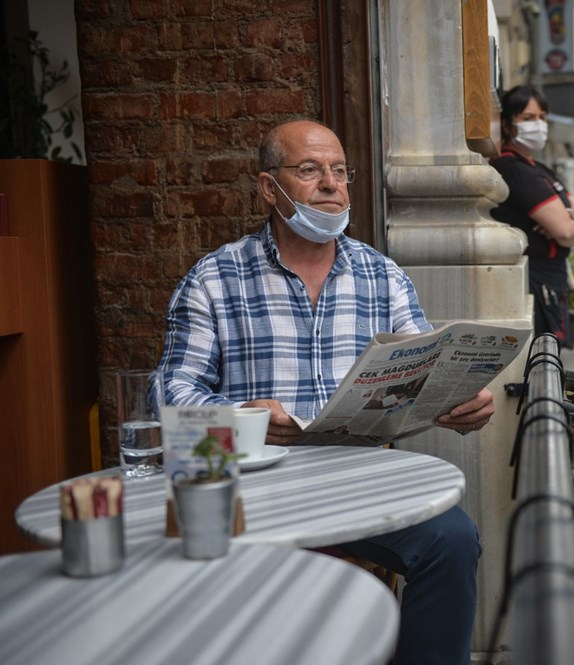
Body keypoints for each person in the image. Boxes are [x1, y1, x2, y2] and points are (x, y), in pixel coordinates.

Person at [158, 119, 493, 665]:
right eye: (310, 170)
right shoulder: (214, 279)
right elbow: (171, 394)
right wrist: (238, 419)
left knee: (452, 540)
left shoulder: (382, 276)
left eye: (340, 171)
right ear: (270, 188)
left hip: (360, 479)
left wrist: (459, 398)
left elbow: (422, 365)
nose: (331, 184)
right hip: (255, 486)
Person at [489, 86, 574, 344]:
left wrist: (571, 219)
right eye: (528, 118)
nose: (539, 125)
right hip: (535, 281)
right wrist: (571, 221)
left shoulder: (540, 169)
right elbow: (567, 231)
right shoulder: (512, 168)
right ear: (508, 125)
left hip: (552, 280)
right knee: (542, 357)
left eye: (542, 118)